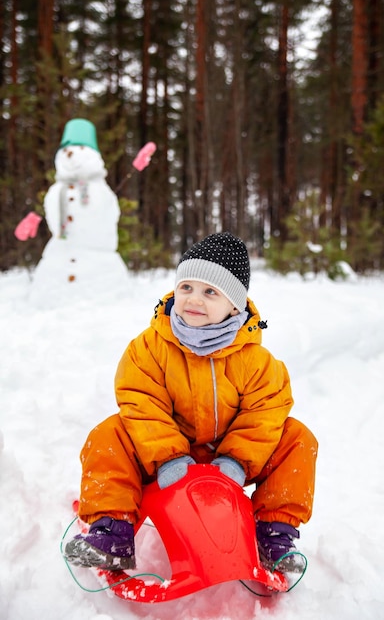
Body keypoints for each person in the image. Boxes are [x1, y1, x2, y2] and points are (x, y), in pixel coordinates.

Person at [64, 232, 318, 573]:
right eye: (186, 287)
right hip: (163, 456)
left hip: (227, 458)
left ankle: (274, 534)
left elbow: (265, 412)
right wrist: (169, 456)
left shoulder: (256, 360)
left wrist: (236, 460)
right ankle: (112, 529)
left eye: (210, 291)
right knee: (109, 434)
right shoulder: (150, 348)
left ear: (235, 305)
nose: (193, 299)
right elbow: (141, 402)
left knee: (297, 437)